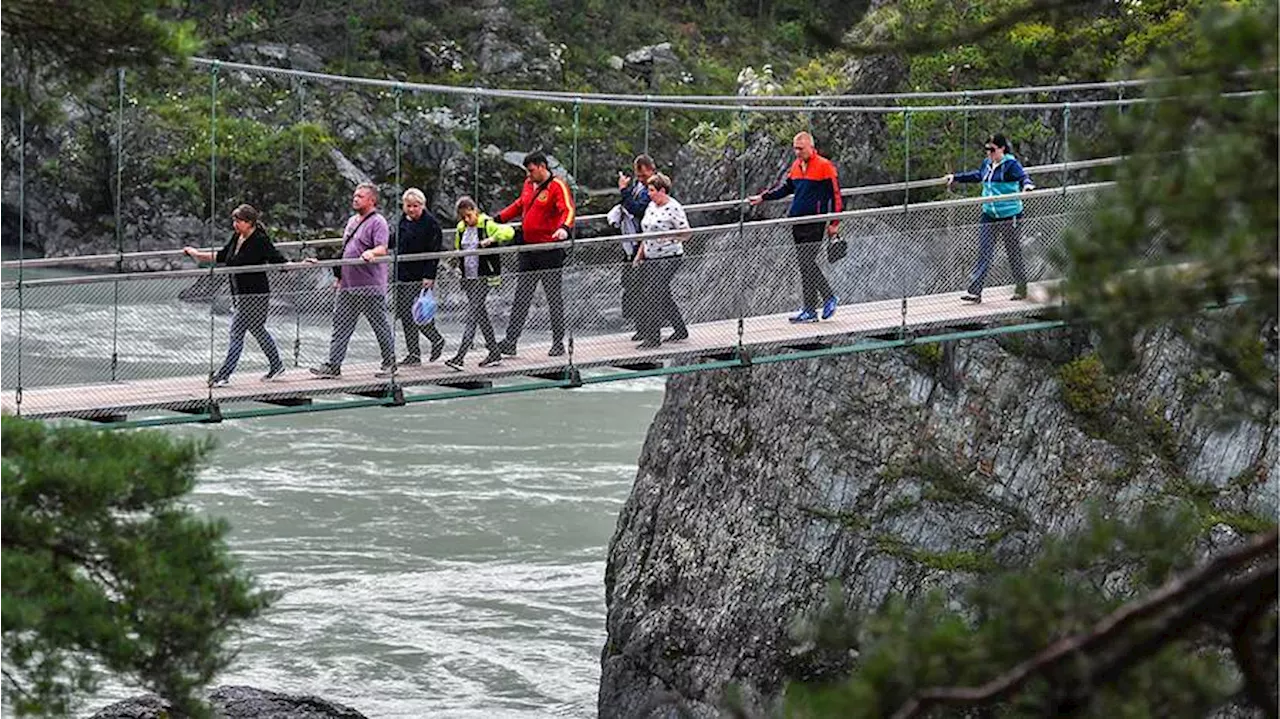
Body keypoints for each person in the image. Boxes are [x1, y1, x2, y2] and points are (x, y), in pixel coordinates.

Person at [182, 204, 287, 387]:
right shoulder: (237, 237)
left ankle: (224, 374)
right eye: (234, 221)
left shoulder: (260, 240)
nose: (235, 225)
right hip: (239, 294)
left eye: (239, 221)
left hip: (255, 296)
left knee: (237, 333)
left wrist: (301, 263)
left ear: (250, 222)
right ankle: (276, 365)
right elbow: (222, 256)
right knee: (257, 330)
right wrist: (197, 254)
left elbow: (278, 259)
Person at [748, 131, 842, 324]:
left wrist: (834, 223)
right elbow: (787, 188)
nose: (797, 152)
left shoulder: (824, 166)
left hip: (815, 221)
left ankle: (828, 298)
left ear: (811, 147)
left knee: (807, 262)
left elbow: (836, 195)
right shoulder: (797, 166)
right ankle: (810, 310)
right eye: (795, 148)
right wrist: (763, 197)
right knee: (804, 265)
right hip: (797, 222)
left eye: (801, 148)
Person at [310, 182, 397, 379]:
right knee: (340, 325)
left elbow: (382, 247)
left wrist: (371, 252)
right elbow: (345, 250)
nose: (355, 199)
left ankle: (390, 362)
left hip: (370, 286)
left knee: (379, 325)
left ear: (372, 200)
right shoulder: (352, 221)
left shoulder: (378, 222)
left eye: (360, 196)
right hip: (348, 285)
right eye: (355, 196)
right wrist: (339, 277)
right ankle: (333, 365)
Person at [495, 151, 576, 358]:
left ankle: (558, 342)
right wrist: (497, 219)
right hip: (528, 250)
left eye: (531, 171)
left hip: (549, 251)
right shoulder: (528, 184)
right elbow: (520, 204)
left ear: (542, 167)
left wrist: (564, 229)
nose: (528, 175)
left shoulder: (557, 186)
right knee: (521, 296)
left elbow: (567, 209)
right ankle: (511, 341)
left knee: (553, 298)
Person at [944, 133, 1035, 303]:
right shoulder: (987, 164)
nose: (989, 153)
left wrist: (1027, 185)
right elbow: (978, 176)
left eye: (992, 150)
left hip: (1010, 215)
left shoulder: (1010, 165)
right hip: (989, 214)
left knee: (1013, 252)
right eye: (987, 149)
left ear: (1002, 149)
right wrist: (955, 177)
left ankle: (1021, 289)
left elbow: (1023, 177)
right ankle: (975, 292)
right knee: (984, 252)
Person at [445, 196, 516, 371]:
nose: (466, 220)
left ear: (475, 211)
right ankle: (494, 352)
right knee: (480, 315)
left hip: (484, 276)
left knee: (472, 315)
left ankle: (460, 357)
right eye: (463, 217)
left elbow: (509, 232)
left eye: (469, 216)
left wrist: (490, 240)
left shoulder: (486, 224)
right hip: (468, 277)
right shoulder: (461, 228)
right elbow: (458, 248)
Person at [390, 188, 446, 365]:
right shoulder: (403, 220)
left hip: (420, 275)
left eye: (415, 206)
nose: (411, 209)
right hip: (402, 273)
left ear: (423, 205)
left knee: (418, 314)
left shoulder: (431, 224)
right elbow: (396, 240)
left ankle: (436, 339)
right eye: (408, 206)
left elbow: (434, 251)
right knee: (405, 314)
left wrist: (429, 276)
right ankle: (413, 353)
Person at [634, 173, 689, 349]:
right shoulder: (651, 206)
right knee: (661, 293)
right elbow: (646, 232)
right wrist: (640, 254)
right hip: (651, 257)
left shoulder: (674, 208)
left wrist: (670, 237)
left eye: (651, 190)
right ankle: (680, 329)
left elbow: (686, 232)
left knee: (653, 293)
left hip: (669, 257)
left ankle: (653, 337)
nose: (648, 194)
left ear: (662, 191)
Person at [617, 154, 656, 338]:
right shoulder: (638, 186)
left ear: (651, 169)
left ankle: (648, 330)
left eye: (643, 176)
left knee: (645, 289)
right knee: (633, 286)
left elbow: (638, 209)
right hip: (631, 241)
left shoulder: (655, 187)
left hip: (644, 243)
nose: (641, 180)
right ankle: (642, 328)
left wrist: (624, 191)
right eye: (638, 176)